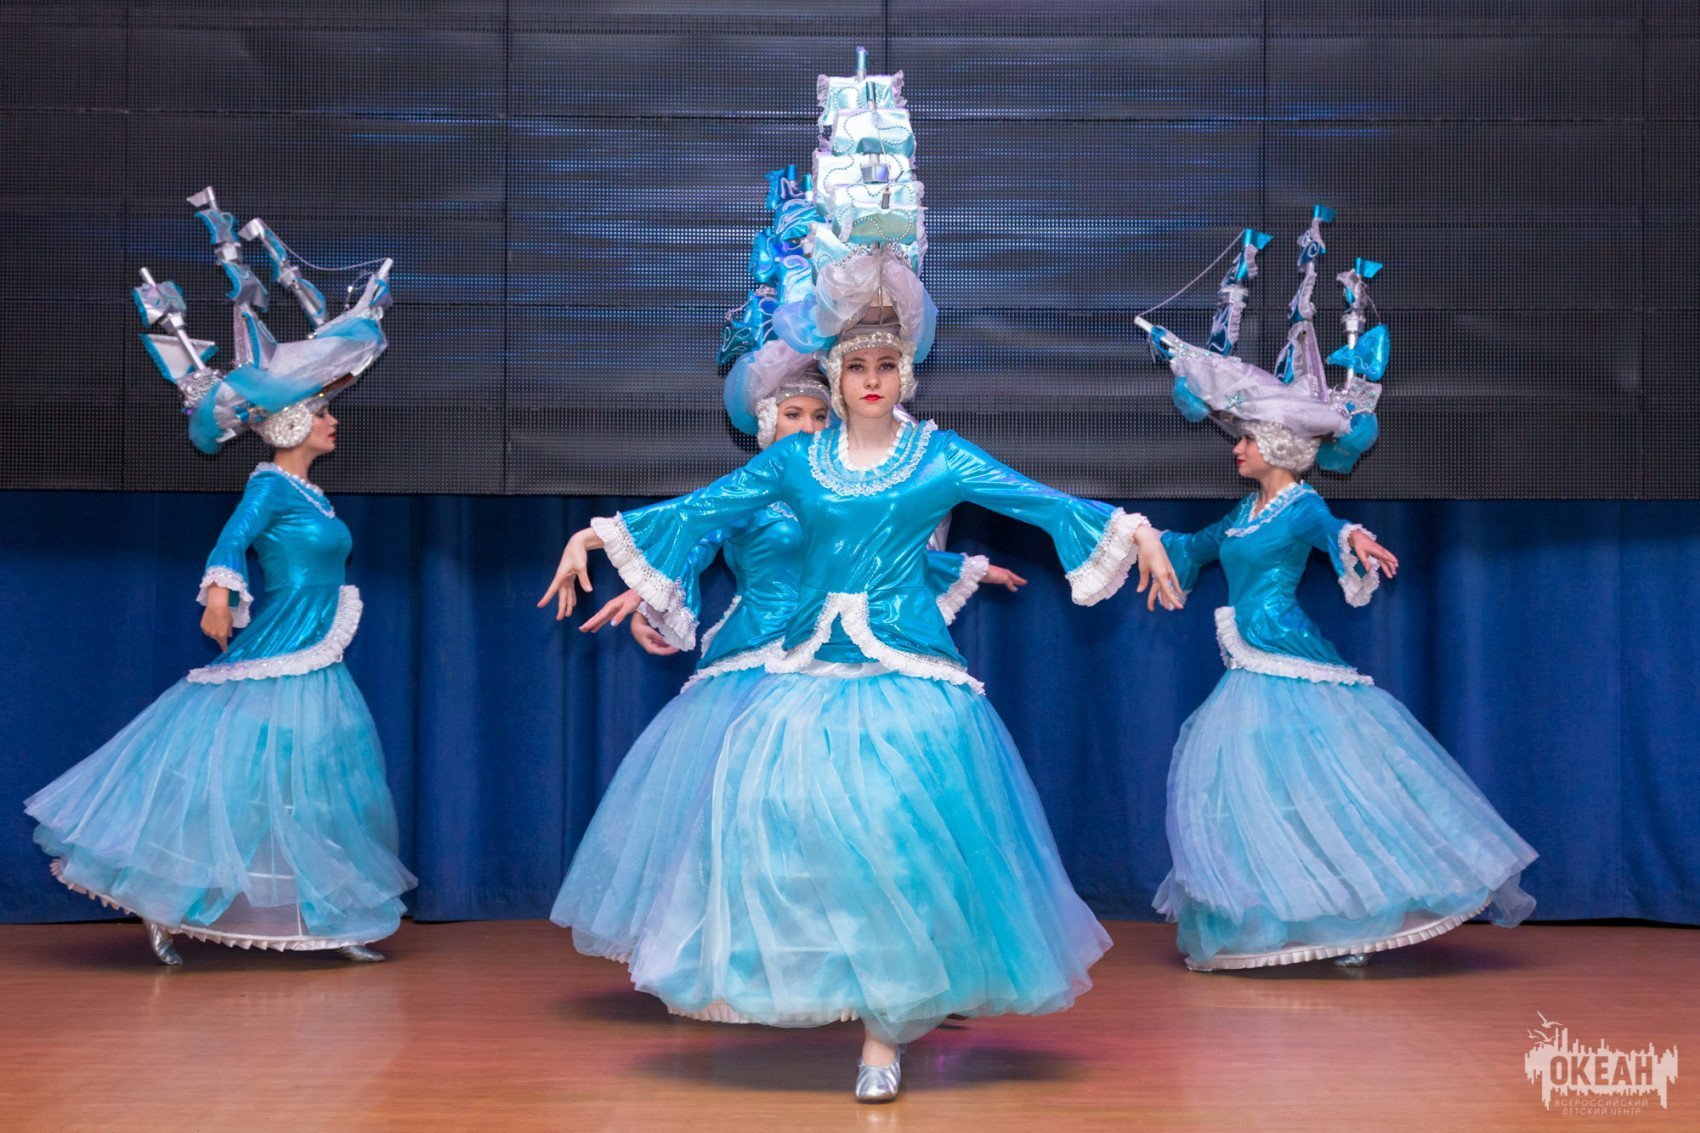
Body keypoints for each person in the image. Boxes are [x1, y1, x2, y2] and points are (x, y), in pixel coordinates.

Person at [543, 304, 1184, 1101]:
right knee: (775, 815)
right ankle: (814, 977)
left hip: (909, 672)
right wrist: (596, 536)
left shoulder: (938, 454)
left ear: (903, 376)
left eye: (885, 366)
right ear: (837, 379)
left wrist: (1132, 528)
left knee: (895, 838)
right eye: (856, 367)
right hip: (811, 669)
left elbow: (1036, 500)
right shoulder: (799, 461)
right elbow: (705, 507)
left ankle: (884, 1036)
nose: (871, 380)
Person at [551, 346, 1020, 963]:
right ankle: (740, 955)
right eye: (793, 415)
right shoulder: (752, 498)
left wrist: (966, 567)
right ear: (769, 424)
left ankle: (868, 954)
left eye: (818, 416)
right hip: (754, 659)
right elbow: (694, 533)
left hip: (832, 657)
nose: (806, 426)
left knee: (855, 813)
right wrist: (643, 592)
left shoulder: (835, 486)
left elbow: (880, 556)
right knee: (755, 813)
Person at [1138, 259, 1536, 972]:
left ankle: (1355, 914)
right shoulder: (1244, 512)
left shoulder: (1301, 505)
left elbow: (1331, 529)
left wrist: (1355, 538)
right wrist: (1130, 539)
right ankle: (1307, 916)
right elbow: (1192, 549)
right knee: (1267, 787)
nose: (1237, 447)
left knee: (1313, 782)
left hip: (1284, 655)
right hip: (1254, 654)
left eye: (1247, 439)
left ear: (1276, 446)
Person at [26, 407, 415, 963]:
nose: (334, 420)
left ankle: (332, 920)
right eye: (321, 413)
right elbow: (232, 539)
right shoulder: (270, 486)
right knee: (245, 776)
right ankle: (162, 902)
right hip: (286, 642)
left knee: (315, 779)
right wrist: (218, 595)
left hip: (314, 647)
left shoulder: (309, 494)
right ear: (290, 424)